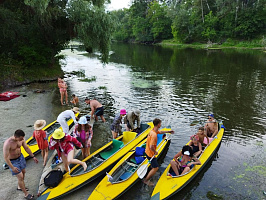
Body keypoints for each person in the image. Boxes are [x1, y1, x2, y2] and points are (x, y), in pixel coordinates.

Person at [3, 129, 39, 200]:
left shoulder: (21, 139)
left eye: (23, 138)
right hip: (13, 161)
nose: (22, 139)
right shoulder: (8, 143)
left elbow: (26, 148)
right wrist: (12, 167)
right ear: (16, 137)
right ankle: (26, 194)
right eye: (21, 138)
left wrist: (33, 156)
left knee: (23, 172)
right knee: (20, 176)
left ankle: (20, 187)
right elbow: (6, 157)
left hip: (21, 158)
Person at [143, 118, 174, 186]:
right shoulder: (154, 135)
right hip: (151, 153)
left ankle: (152, 169)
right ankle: (146, 180)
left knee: (153, 165)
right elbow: (151, 146)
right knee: (156, 167)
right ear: (158, 124)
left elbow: (160, 132)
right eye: (160, 123)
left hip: (147, 151)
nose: (161, 124)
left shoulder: (152, 131)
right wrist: (155, 151)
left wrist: (169, 131)